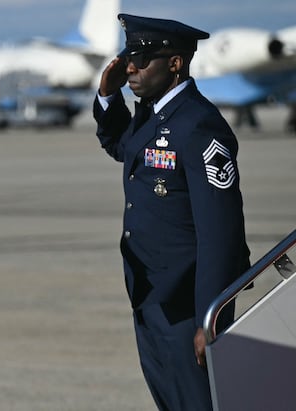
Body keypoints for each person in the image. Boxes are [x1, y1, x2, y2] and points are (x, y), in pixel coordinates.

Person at [92, 14, 251, 410]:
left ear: (175, 63)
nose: (131, 68)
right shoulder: (154, 116)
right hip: (151, 298)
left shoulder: (199, 125)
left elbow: (221, 233)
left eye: (142, 59)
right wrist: (108, 97)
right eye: (129, 58)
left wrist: (210, 318)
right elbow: (122, 146)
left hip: (186, 306)